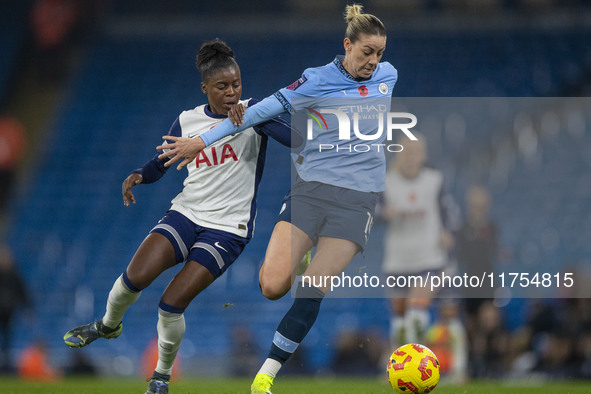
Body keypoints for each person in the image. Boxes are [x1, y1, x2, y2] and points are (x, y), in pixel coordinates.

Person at [156, 4, 398, 393]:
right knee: (271, 286)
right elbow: (258, 112)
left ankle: (265, 375)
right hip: (311, 191)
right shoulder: (316, 80)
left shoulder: (389, 75)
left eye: (380, 53)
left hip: (357, 201)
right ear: (347, 44)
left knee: (313, 287)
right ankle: (299, 254)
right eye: (366, 51)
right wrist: (199, 141)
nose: (374, 60)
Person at [63, 39, 295, 394]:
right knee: (133, 277)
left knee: (170, 304)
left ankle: (160, 377)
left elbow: (297, 139)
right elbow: (162, 162)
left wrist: (251, 117)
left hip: (227, 230)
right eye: (222, 86)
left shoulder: (254, 113)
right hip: (185, 214)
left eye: (236, 84)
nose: (232, 92)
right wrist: (140, 174)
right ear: (205, 88)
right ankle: (109, 325)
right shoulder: (188, 120)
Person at [381, 136, 459, 348]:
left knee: (417, 308)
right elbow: (371, 212)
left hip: (429, 256)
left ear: (423, 155)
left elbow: (449, 209)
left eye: (415, 152)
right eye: (406, 152)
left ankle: (416, 359)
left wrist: (449, 231)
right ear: (397, 154)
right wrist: (383, 213)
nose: (410, 157)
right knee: (399, 317)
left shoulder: (434, 180)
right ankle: (396, 361)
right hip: (397, 259)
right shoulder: (386, 182)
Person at [0, 244, 31, 373]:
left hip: (8, 312)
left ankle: (6, 363)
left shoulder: (14, 276)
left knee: (7, 338)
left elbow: (22, 292)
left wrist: (27, 307)